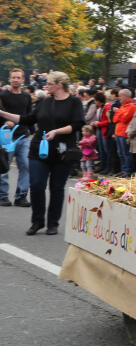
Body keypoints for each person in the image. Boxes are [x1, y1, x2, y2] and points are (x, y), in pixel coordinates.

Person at [0, 71, 84, 236]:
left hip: (62, 151)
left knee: (57, 188)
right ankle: (37, 221)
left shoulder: (74, 102)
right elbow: (28, 119)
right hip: (39, 149)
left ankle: (53, 223)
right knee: (37, 185)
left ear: (59, 85)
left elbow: (78, 124)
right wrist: (2, 113)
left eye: (50, 83)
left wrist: (56, 131)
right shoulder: (45, 102)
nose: (47, 86)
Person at [0, 68, 33, 207]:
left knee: (25, 166)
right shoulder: (2, 95)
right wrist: (4, 123)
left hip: (23, 136)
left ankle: (21, 196)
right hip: (6, 136)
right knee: (4, 166)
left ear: (23, 80)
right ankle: (2, 196)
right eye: (13, 77)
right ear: (10, 79)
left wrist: (31, 131)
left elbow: (30, 115)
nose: (15, 80)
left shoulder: (27, 97)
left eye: (18, 77)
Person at [112, 89, 136, 175]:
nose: (119, 98)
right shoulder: (123, 106)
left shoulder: (132, 106)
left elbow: (124, 119)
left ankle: (128, 170)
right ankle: (123, 170)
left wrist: (118, 112)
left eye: (120, 96)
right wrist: (120, 113)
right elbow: (115, 119)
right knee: (120, 153)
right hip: (118, 133)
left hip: (125, 134)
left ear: (126, 96)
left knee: (126, 153)